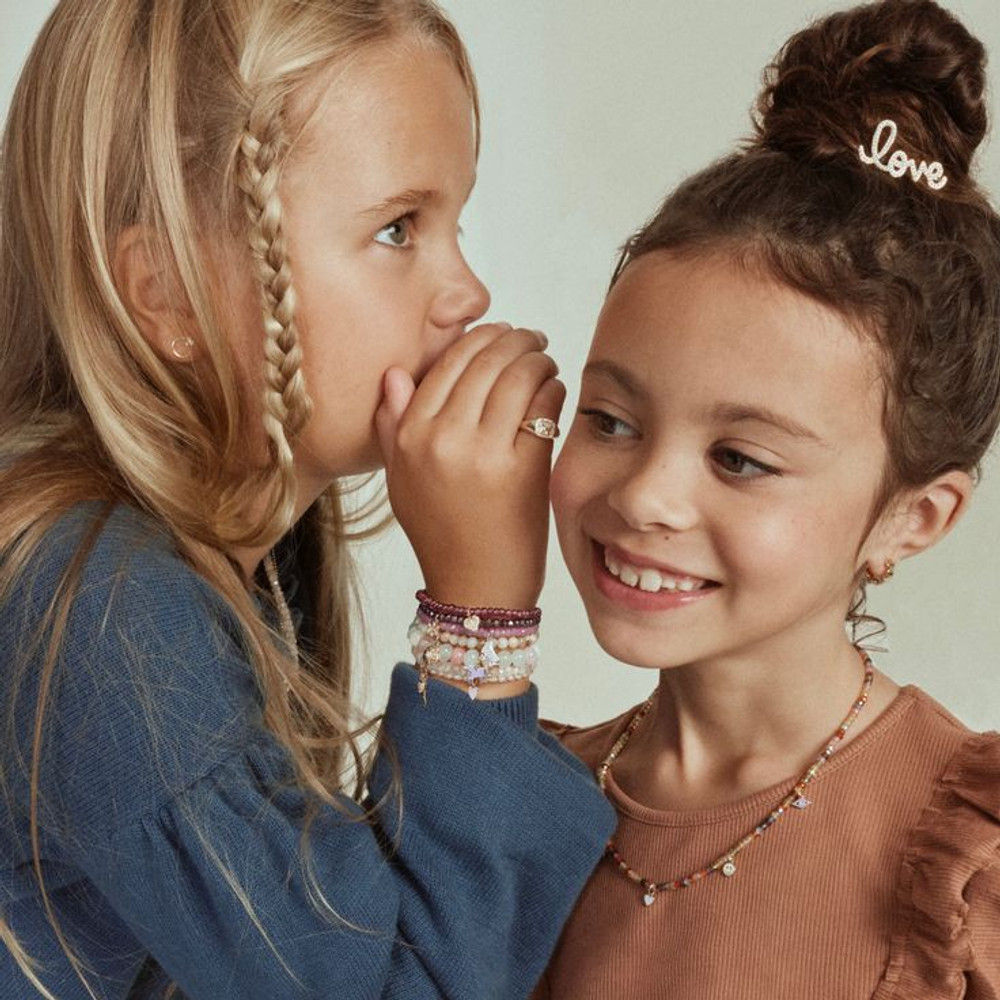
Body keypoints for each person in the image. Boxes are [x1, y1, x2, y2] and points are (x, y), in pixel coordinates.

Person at [0, 1, 616, 998]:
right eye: (397, 229)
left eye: (453, 223)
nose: (467, 292)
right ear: (167, 291)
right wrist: (481, 622)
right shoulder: (104, 611)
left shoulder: (245, 557)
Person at [535, 1, 1000, 997]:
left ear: (911, 518)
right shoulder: (515, 801)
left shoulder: (970, 873)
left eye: (740, 459)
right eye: (611, 419)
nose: (646, 496)